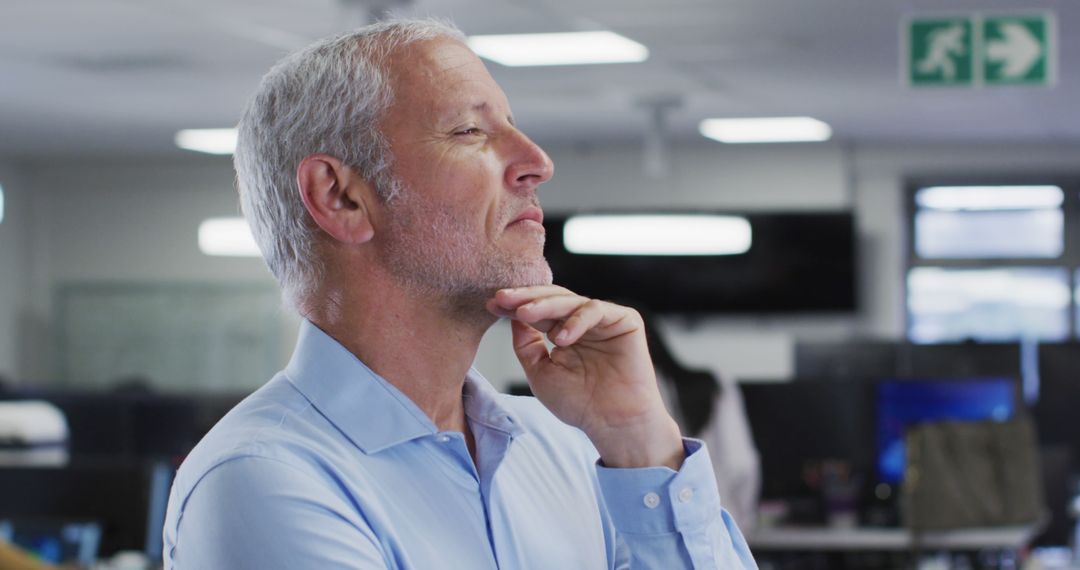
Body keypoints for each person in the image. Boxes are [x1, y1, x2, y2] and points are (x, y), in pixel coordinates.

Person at [163, 18, 756, 569]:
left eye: (513, 126)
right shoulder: (263, 479)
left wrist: (639, 444)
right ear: (341, 197)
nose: (537, 162)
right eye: (469, 130)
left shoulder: (565, 446)